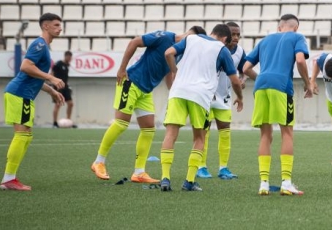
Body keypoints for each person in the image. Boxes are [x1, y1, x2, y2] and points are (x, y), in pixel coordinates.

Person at [91, 26, 206, 184]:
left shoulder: (178, 53)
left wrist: (174, 92)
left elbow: (167, 73)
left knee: (148, 129)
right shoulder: (164, 37)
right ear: (189, 34)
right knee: (121, 123)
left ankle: (139, 172)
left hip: (145, 91)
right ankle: (99, 161)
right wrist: (122, 68)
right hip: (130, 82)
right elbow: (134, 42)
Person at [159, 24, 243, 192]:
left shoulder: (191, 38)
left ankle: (165, 178)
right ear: (225, 38)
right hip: (200, 96)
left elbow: (168, 53)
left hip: (178, 92)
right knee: (199, 137)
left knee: (171, 134)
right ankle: (189, 181)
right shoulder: (222, 49)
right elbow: (234, 80)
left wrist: (175, 71)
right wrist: (240, 97)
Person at [242, 14, 312, 196]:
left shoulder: (265, 40)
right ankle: (286, 182)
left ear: (279, 27)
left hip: (261, 86)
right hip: (281, 86)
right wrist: (308, 83)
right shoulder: (297, 37)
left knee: (265, 135)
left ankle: (263, 183)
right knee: (287, 133)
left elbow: (245, 68)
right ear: (295, 27)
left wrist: (263, 79)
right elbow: (300, 60)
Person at [0, 13, 66, 191]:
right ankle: (8, 179)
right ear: (45, 26)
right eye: (56, 25)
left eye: (60, 25)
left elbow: (33, 75)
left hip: (24, 95)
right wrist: (51, 78)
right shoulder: (39, 44)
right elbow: (25, 67)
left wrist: (51, 91)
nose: (60, 28)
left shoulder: (44, 47)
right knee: (22, 135)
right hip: (19, 94)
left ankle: (10, 177)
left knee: (26, 136)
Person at [197, 22, 258, 180]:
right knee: (205, 131)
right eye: (233, 34)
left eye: (238, 34)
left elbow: (244, 69)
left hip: (225, 97)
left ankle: (223, 168)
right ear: (225, 35)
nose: (236, 37)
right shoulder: (213, 49)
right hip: (207, 96)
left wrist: (243, 79)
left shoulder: (239, 52)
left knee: (225, 131)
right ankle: (201, 166)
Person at [51, 51, 76, 128]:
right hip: (58, 87)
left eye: (71, 58)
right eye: (69, 57)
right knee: (58, 104)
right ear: (66, 56)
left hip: (65, 87)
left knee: (71, 104)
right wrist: (53, 84)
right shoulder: (58, 64)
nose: (70, 59)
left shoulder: (67, 65)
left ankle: (68, 121)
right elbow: (52, 73)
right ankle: (55, 123)